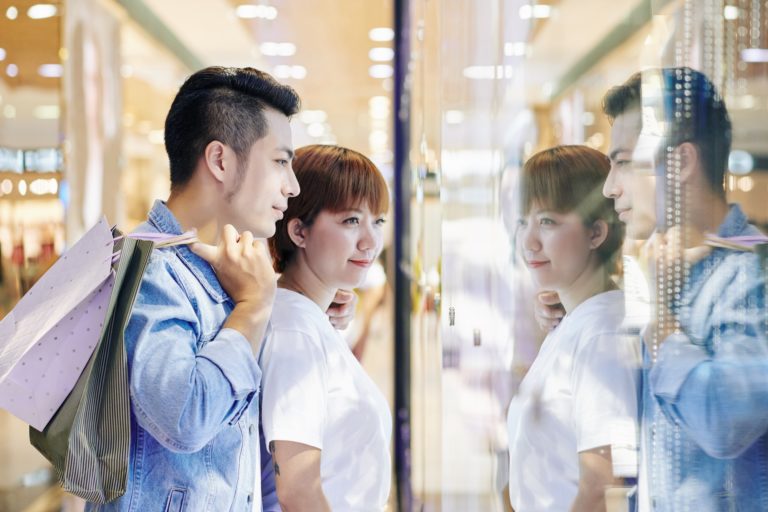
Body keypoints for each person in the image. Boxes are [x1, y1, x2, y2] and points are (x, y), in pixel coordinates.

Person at [91, 67, 355, 512]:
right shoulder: (152, 272)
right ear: (220, 160)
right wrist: (253, 308)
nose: (292, 187)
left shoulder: (209, 267)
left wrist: (292, 309)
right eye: (280, 161)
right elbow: (183, 416)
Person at [539, 68, 768, 510]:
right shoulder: (668, 271)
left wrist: (658, 316)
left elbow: (724, 421)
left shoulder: (752, 276)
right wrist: (575, 311)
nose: (610, 187)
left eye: (622, 161)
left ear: (680, 162)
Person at [260, 144, 392, 511]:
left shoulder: (303, 317)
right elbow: (298, 491)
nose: (370, 241)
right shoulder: (294, 331)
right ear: (299, 231)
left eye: (377, 221)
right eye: (351, 220)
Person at [507, 145, 638, 512]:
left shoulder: (603, 333)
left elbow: (603, 484)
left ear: (596, 233)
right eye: (522, 222)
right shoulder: (579, 320)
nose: (529, 241)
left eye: (547, 221)